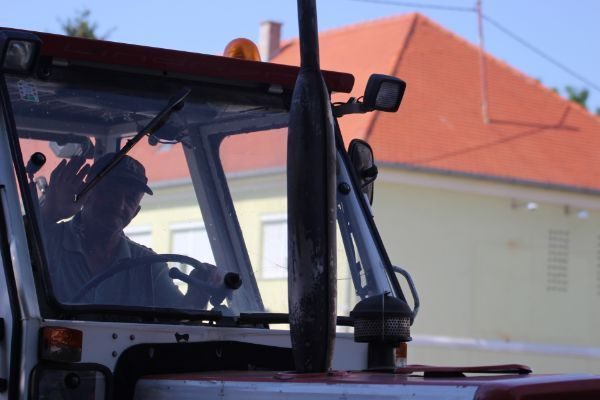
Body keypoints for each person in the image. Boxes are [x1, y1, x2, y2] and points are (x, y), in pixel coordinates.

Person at [39, 153, 218, 308]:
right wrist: (50, 212)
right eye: (110, 193)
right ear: (86, 193)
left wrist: (197, 297)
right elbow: (19, 252)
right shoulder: (44, 241)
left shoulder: (148, 266)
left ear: (136, 212)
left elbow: (179, 323)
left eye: (131, 199)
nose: (119, 205)